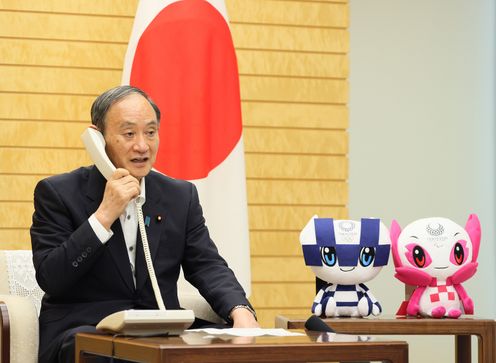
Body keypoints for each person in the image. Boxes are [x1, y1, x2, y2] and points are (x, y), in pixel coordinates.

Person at [30, 85, 259, 363]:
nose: (142, 145)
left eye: (150, 132)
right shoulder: (58, 193)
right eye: (129, 134)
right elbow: (51, 277)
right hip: (87, 330)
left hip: (158, 330)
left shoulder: (179, 196)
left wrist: (240, 311)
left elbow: (207, 264)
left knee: (237, 348)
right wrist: (104, 215)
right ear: (98, 139)